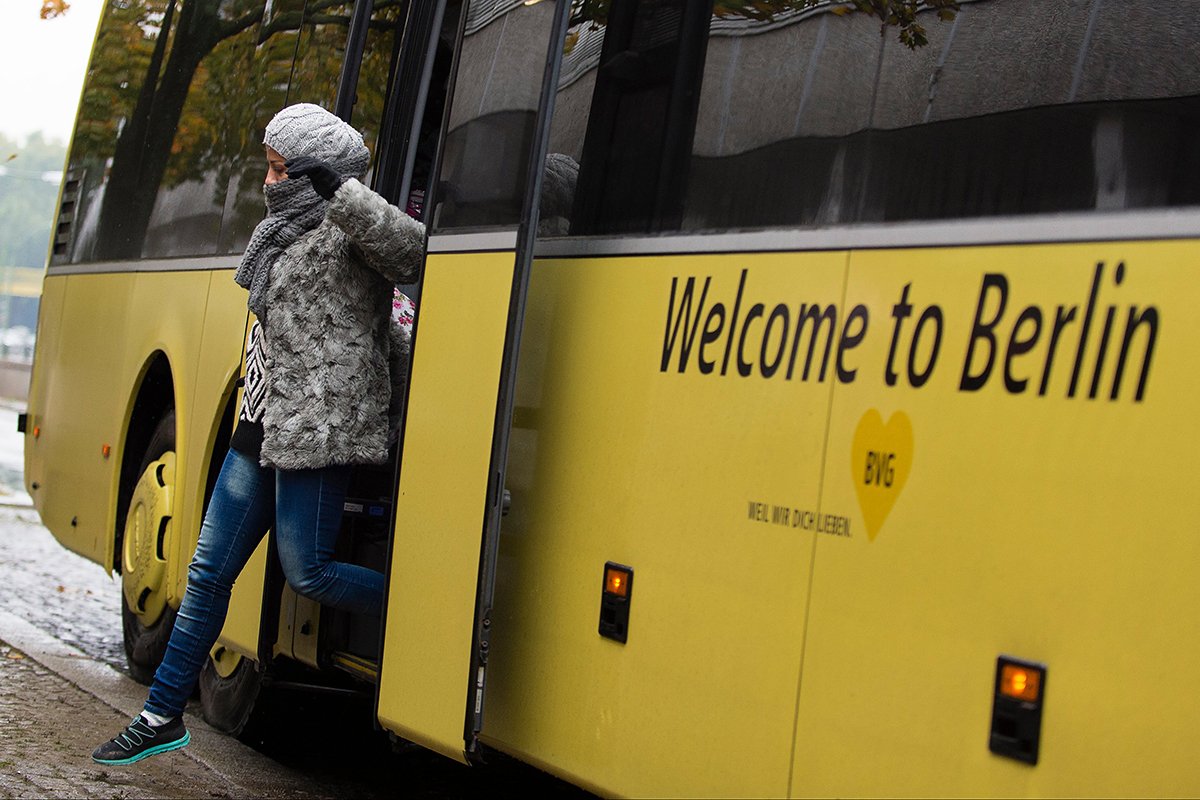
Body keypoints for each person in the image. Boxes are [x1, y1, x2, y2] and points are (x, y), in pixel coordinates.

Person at [92, 103, 425, 765]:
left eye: (280, 169)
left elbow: (412, 252)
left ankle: (423, 605)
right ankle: (160, 716)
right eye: (269, 165)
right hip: (258, 425)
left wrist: (343, 192)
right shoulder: (277, 231)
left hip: (316, 433)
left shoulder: (348, 224)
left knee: (310, 571)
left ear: (316, 175)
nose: (268, 181)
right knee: (207, 572)